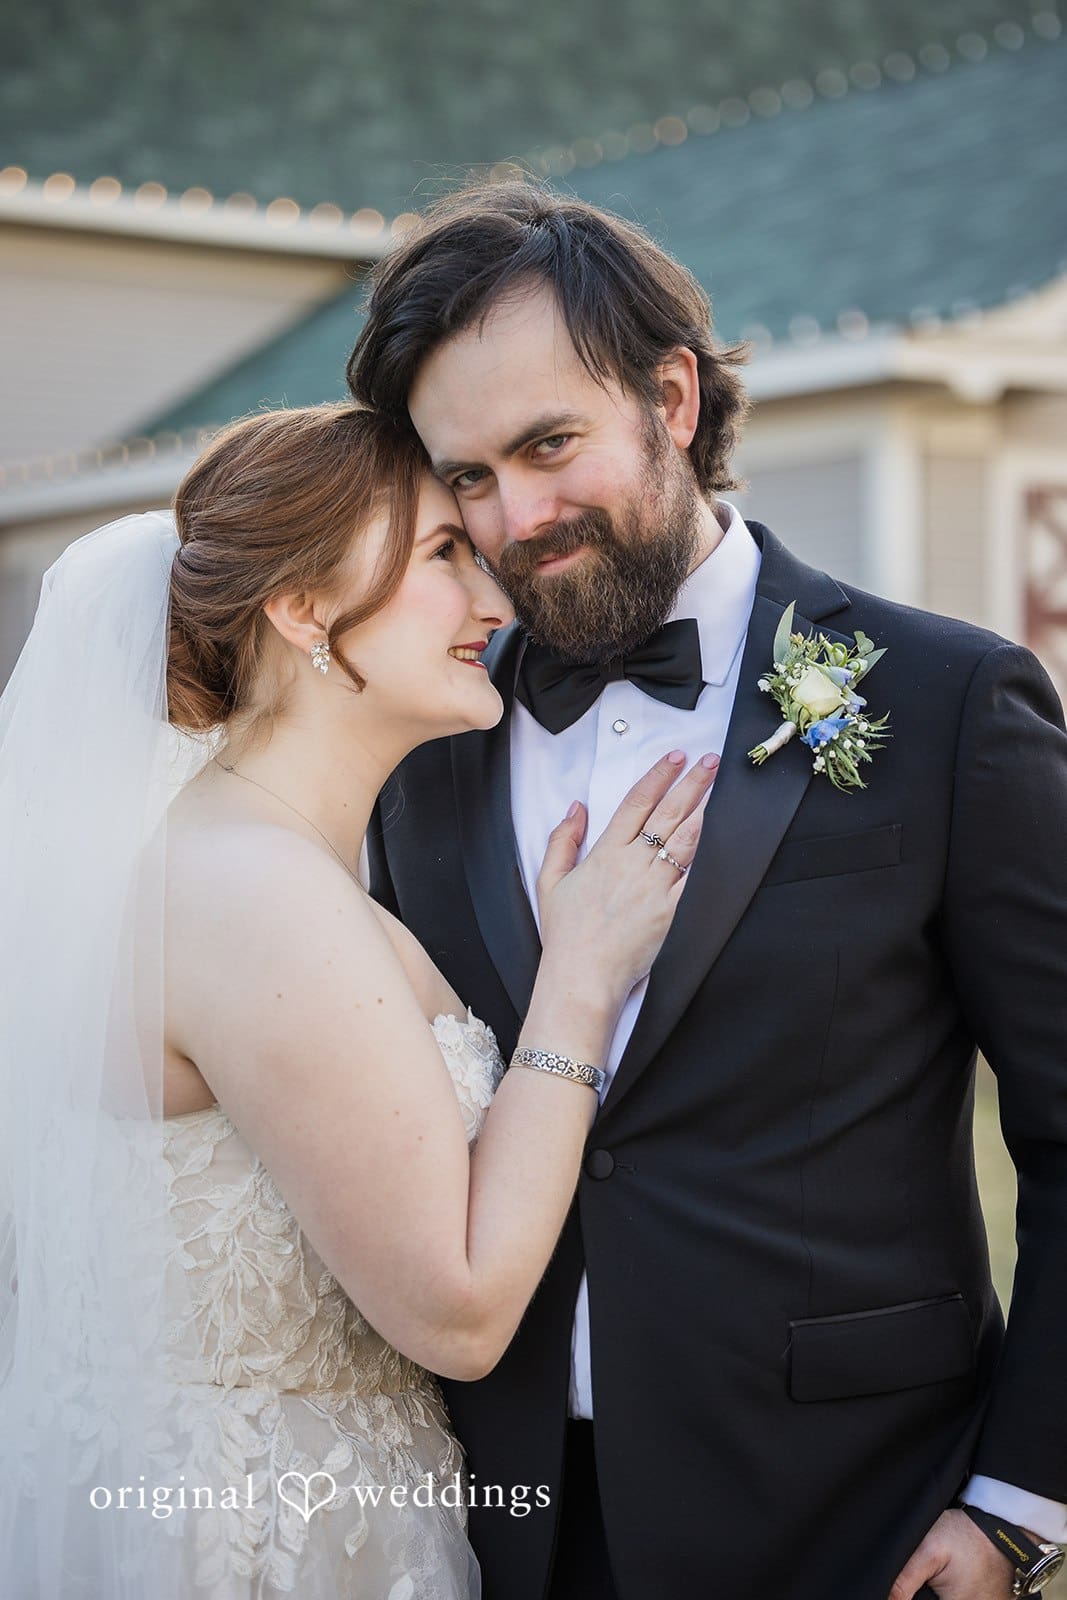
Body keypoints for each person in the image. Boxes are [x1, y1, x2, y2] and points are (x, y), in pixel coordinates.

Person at [346, 181, 1067, 1600]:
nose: (517, 517)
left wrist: (1014, 1499)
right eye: (470, 479)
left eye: (549, 445)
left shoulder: (942, 702)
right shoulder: (416, 748)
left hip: (853, 1519)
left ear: (669, 398)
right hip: (490, 1525)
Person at [0, 401, 720, 1599]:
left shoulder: (278, 865)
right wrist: (580, 982)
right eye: (444, 554)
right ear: (301, 609)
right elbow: (460, 1309)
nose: (495, 606)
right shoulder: (249, 895)